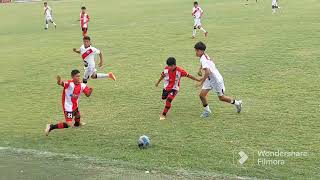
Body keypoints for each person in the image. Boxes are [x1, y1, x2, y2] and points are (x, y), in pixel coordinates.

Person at [194, 42, 242, 118]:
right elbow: (205, 64)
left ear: (201, 51)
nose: (195, 52)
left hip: (216, 80)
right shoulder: (204, 55)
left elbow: (208, 71)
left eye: (196, 51)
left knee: (221, 98)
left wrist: (201, 82)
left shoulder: (203, 58)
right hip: (210, 79)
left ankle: (237, 103)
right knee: (202, 95)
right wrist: (200, 69)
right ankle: (207, 111)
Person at [45, 70, 93, 136]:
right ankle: (51, 126)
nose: (79, 78)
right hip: (68, 106)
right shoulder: (69, 83)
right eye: (77, 76)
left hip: (75, 105)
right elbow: (61, 83)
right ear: (72, 77)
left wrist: (90, 91)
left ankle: (77, 124)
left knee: (78, 115)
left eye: (79, 76)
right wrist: (59, 81)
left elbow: (87, 95)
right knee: (69, 124)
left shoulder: (82, 85)